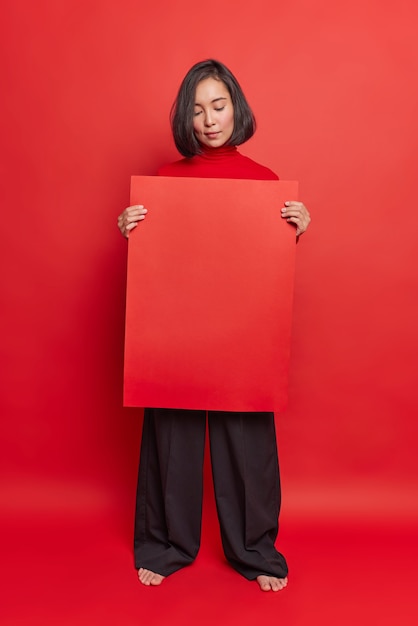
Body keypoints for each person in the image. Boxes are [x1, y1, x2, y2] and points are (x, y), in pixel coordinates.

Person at [117, 59, 311, 592]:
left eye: (218, 106)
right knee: (171, 435)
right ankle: (166, 543)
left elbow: (263, 265)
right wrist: (129, 227)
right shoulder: (164, 181)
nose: (209, 119)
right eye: (197, 109)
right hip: (177, 329)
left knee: (245, 437)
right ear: (186, 116)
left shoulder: (266, 182)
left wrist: (295, 230)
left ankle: (254, 549)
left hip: (242, 331)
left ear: (236, 108)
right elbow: (161, 262)